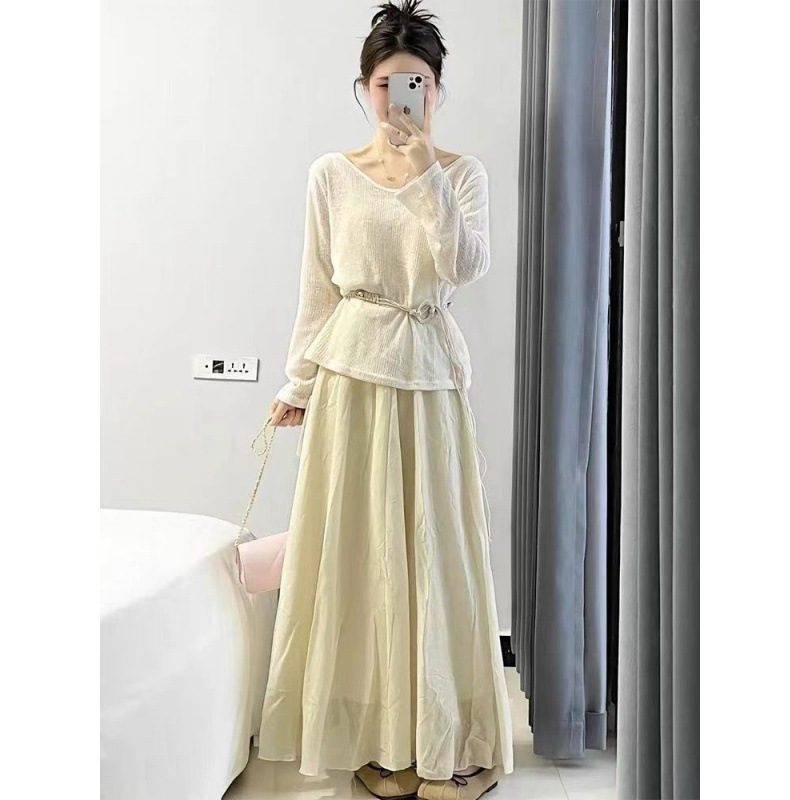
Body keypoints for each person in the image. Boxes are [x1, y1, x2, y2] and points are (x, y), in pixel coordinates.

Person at [256, 2, 513, 798]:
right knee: (358, 557)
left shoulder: (460, 174)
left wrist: (426, 168)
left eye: (418, 83)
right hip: (350, 379)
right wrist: (298, 385)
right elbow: (318, 290)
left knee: (435, 555)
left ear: (436, 88)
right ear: (364, 87)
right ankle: (380, 736)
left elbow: (464, 266)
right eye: (388, 83)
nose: (402, 97)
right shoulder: (330, 175)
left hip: (428, 375)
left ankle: (449, 738)